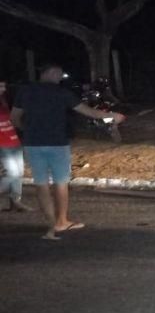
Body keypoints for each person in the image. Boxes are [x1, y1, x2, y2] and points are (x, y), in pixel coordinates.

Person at [10, 64, 125, 240]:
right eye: (58, 75)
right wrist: (112, 116)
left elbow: (15, 117)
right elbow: (89, 112)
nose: (60, 78)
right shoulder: (61, 93)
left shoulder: (25, 91)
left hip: (33, 144)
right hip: (57, 143)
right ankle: (61, 221)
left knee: (41, 184)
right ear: (50, 72)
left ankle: (50, 224)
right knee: (60, 183)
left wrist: (28, 130)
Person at [0, 81, 32, 212]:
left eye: (4, 86)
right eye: (0, 86)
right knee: (12, 174)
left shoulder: (3, 101)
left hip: (14, 141)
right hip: (2, 144)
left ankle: (16, 202)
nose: (3, 89)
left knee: (19, 174)